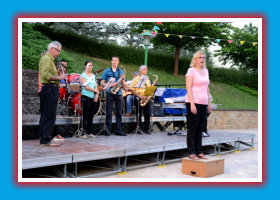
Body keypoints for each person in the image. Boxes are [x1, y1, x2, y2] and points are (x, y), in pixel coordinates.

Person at [39, 41, 67, 147]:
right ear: (52, 49)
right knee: (49, 115)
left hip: (49, 88)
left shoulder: (49, 60)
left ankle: (44, 138)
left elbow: (49, 73)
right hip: (50, 88)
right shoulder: (46, 59)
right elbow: (45, 74)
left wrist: (57, 73)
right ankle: (46, 139)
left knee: (45, 115)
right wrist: (59, 77)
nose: (59, 53)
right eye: (58, 50)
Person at [185, 51, 211, 160]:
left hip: (204, 103)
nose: (202, 59)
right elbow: (188, 88)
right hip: (193, 102)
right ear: (195, 59)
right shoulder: (191, 71)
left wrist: (209, 103)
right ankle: (191, 152)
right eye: (200, 57)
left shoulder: (206, 71)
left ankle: (199, 151)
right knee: (193, 128)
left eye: (204, 57)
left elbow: (207, 88)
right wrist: (192, 104)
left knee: (201, 128)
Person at [100, 56, 126, 136]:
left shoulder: (121, 72)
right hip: (109, 92)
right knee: (108, 112)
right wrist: (110, 84)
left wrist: (123, 80)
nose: (114, 62)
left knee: (119, 112)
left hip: (118, 93)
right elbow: (101, 83)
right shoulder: (106, 71)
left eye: (116, 60)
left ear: (118, 62)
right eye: (113, 60)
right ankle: (108, 130)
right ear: (111, 61)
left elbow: (123, 84)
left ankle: (119, 130)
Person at [129, 65, 152, 134]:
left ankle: (147, 129)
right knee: (138, 114)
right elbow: (132, 89)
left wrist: (149, 95)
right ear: (141, 71)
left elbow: (149, 88)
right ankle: (139, 129)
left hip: (146, 98)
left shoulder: (147, 79)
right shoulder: (136, 79)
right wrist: (140, 95)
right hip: (138, 98)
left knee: (147, 114)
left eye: (146, 69)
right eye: (145, 69)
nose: (146, 71)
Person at [79, 60, 99, 138]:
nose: (90, 67)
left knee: (91, 115)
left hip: (92, 97)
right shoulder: (82, 75)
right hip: (85, 96)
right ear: (85, 66)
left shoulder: (93, 76)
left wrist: (96, 95)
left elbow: (96, 85)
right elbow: (85, 86)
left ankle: (89, 132)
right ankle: (82, 132)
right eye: (89, 65)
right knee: (85, 115)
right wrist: (95, 91)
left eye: (91, 65)